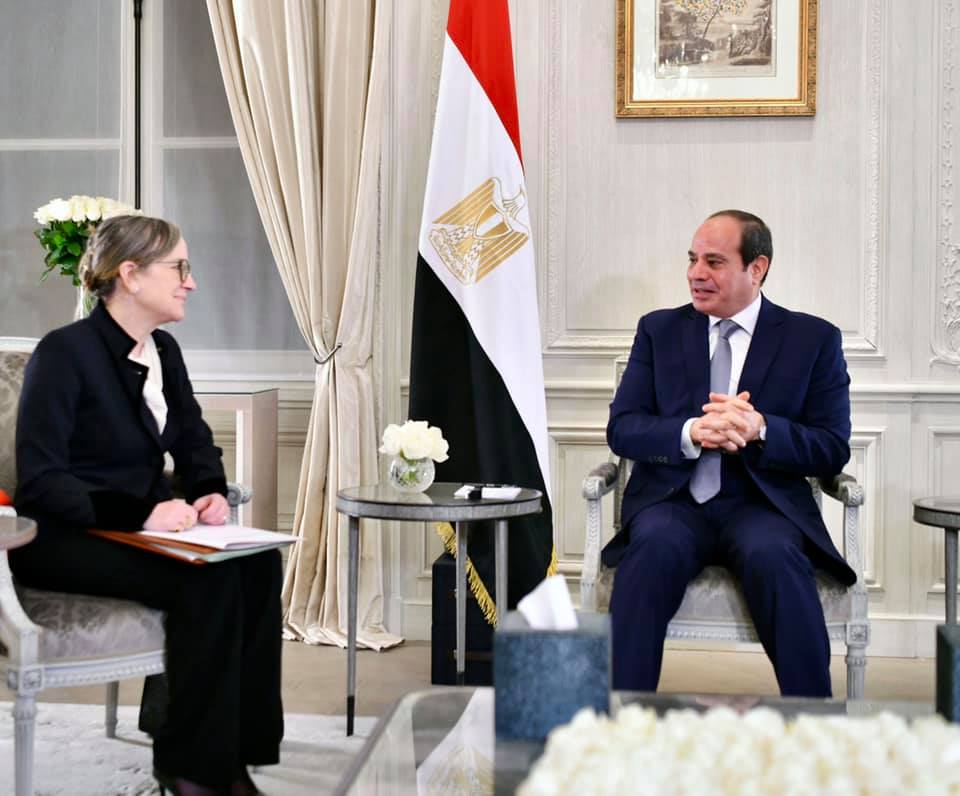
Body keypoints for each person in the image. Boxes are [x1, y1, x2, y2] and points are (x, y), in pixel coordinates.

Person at [11, 215, 283, 796]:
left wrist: (208, 488)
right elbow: (41, 483)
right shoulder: (64, 353)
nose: (191, 281)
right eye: (179, 268)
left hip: (136, 533)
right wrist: (140, 514)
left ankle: (236, 752)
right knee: (207, 582)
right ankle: (191, 768)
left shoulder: (164, 351)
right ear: (130, 275)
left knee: (259, 564)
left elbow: (194, 439)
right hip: (62, 537)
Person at [604, 209, 856, 698]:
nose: (696, 274)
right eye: (692, 259)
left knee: (776, 557)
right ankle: (618, 716)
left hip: (762, 507)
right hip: (675, 503)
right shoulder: (658, 330)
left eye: (714, 262)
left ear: (756, 268)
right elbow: (624, 428)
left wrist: (761, 428)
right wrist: (691, 431)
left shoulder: (812, 339)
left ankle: (815, 720)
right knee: (649, 551)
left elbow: (832, 447)